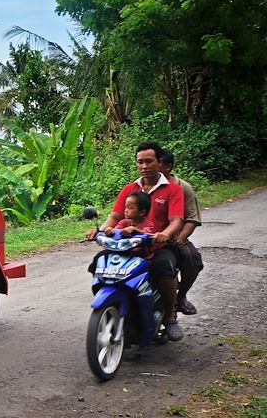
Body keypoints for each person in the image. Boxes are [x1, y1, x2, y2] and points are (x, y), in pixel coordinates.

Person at [87, 142, 186, 341]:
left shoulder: (173, 190)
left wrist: (165, 233)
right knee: (98, 263)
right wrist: (101, 232)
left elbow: (177, 220)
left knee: (164, 267)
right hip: (128, 246)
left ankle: (169, 315)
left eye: (149, 161)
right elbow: (114, 217)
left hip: (156, 245)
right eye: (140, 162)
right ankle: (113, 303)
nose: (144, 166)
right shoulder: (129, 189)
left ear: (159, 162)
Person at [157, 149, 204, 316]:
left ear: (168, 167)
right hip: (147, 235)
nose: (150, 167)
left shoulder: (183, 188)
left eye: (157, 163)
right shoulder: (142, 185)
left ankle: (181, 297)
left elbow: (192, 218)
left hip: (174, 236)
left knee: (192, 259)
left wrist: (180, 237)